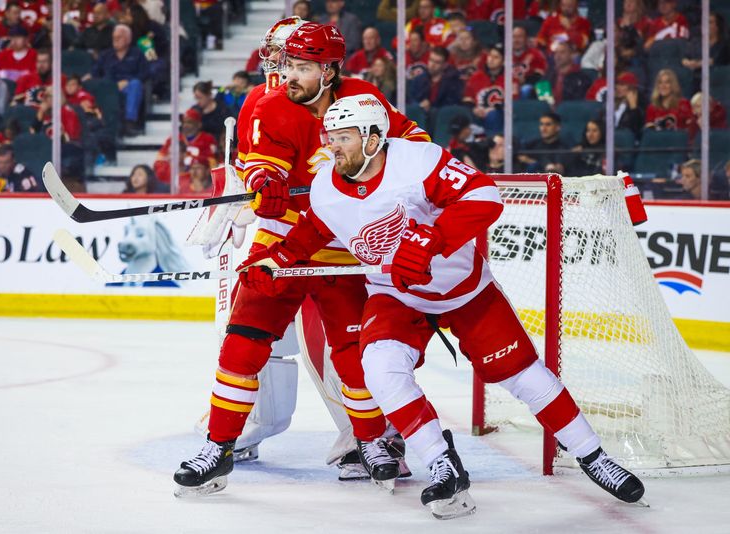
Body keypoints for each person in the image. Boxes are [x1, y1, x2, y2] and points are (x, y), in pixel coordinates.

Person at [236, 95, 646, 518]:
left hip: (464, 290)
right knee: (378, 368)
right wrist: (274, 261)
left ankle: (593, 455)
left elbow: (484, 195)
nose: (333, 147)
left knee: (524, 376)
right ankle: (441, 463)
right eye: (330, 137)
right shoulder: (325, 186)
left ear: (374, 138)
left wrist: (431, 240)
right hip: (394, 295)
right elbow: (312, 233)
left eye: (343, 138)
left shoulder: (418, 161)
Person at [173, 22, 431, 498]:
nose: (288, 74)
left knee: (354, 352)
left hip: (344, 241)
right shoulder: (271, 105)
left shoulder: (365, 98)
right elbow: (262, 163)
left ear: (329, 70)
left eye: (302, 66)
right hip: (282, 238)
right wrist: (267, 184)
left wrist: (396, 169)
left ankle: (371, 441)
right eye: (287, 64)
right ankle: (219, 445)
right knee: (244, 339)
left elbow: (415, 145)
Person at [89, 24, 150, 137]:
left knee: (136, 84)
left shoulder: (137, 54)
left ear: (128, 39)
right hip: (108, 87)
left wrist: (127, 81)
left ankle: (129, 123)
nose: (115, 39)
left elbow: (145, 73)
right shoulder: (105, 55)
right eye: (114, 37)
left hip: (129, 86)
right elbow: (95, 73)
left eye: (119, 37)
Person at [464, 43, 518, 136]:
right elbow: (467, 98)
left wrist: (492, 109)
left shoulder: (510, 79)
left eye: (496, 57)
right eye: (490, 56)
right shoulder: (476, 77)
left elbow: (514, 100)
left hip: (500, 114)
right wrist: (474, 109)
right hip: (477, 114)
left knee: (493, 115)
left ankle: (492, 141)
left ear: (503, 61)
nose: (491, 60)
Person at [153, 108, 218, 184]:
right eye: (184, 122)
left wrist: (194, 160)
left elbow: (213, 163)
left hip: (199, 180)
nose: (185, 125)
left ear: (199, 124)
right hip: (176, 177)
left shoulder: (208, 139)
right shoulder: (173, 138)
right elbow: (159, 159)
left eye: (190, 122)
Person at [408, 47, 463, 111]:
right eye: (431, 60)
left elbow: (451, 105)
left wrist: (432, 108)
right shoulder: (419, 79)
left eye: (437, 62)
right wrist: (419, 105)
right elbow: (411, 100)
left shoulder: (453, 82)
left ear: (444, 65)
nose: (432, 65)